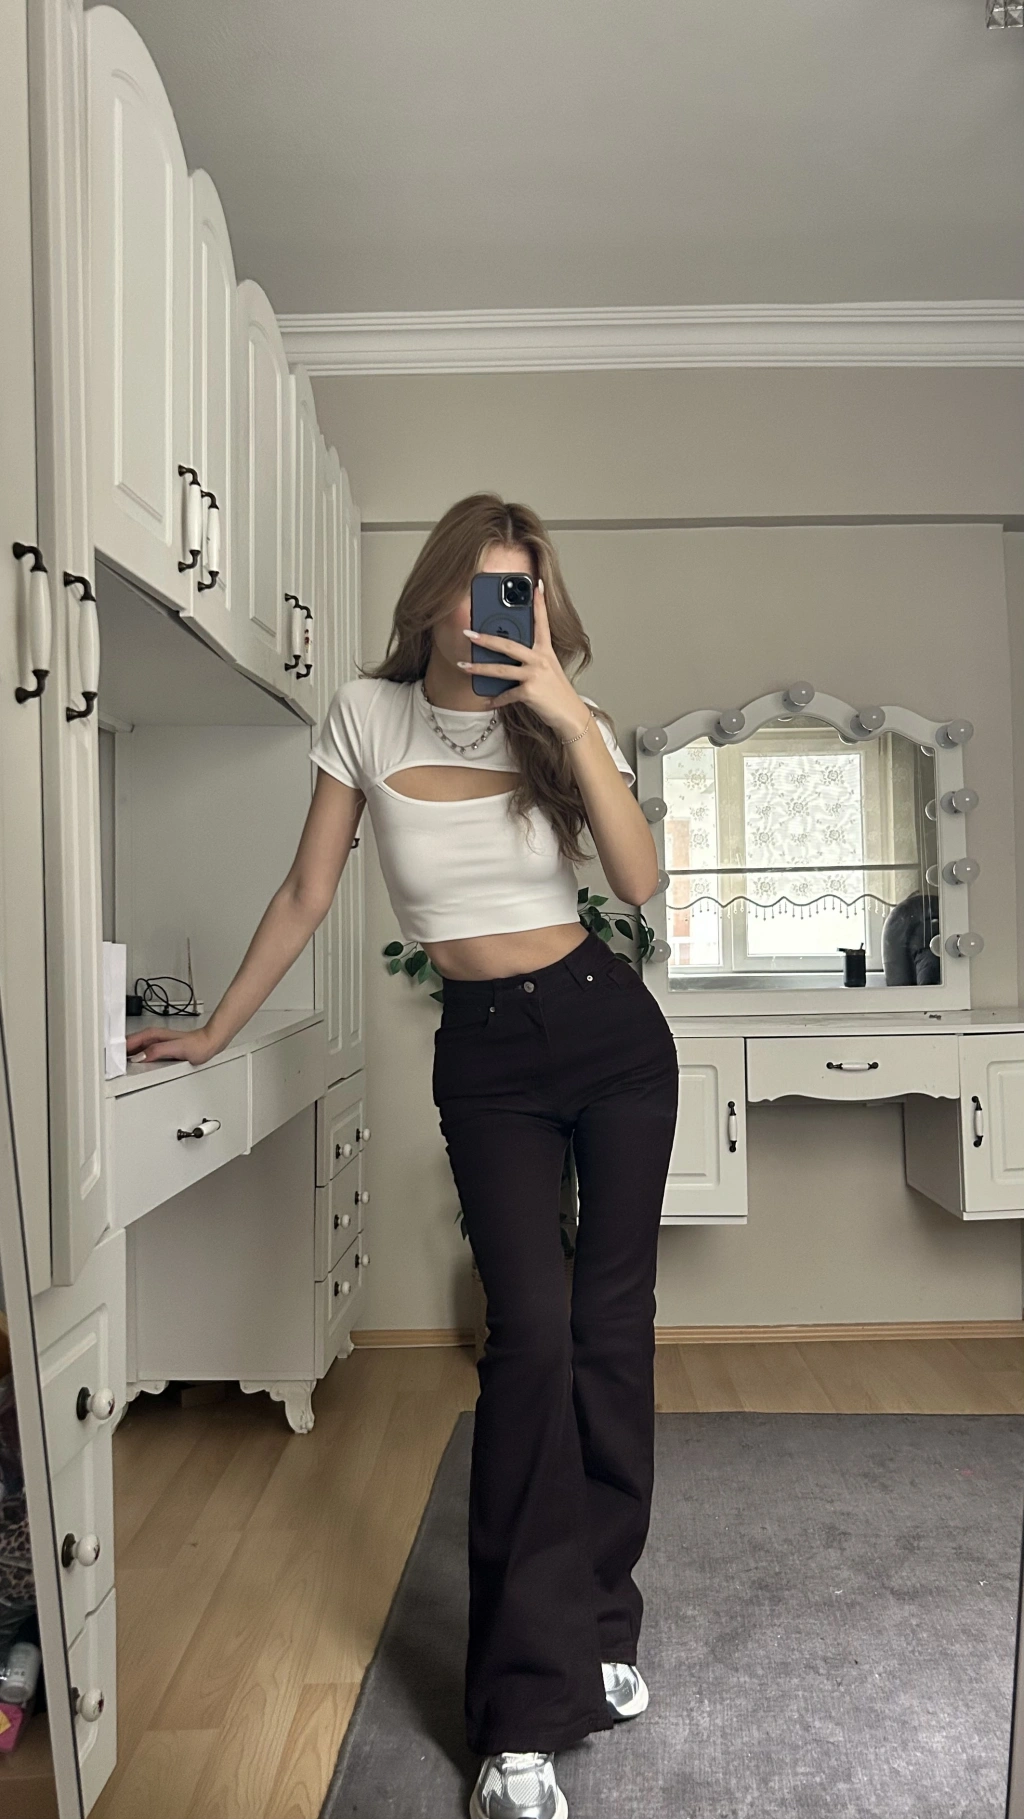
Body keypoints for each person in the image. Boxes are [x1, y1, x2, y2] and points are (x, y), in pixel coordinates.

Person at [125, 492, 680, 1819]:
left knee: (611, 1336)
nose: (496, 616)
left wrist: (564, 711)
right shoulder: (364, 717)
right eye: (479, 589)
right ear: (432, 593)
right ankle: (519, 1712)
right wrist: (215, 1029)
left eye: (520, 594)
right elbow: (305, 892)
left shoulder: (562, 721)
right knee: (529, 1341)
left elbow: (640, 882)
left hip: (610, 1038)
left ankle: (601, 1622)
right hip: (486, 1056)